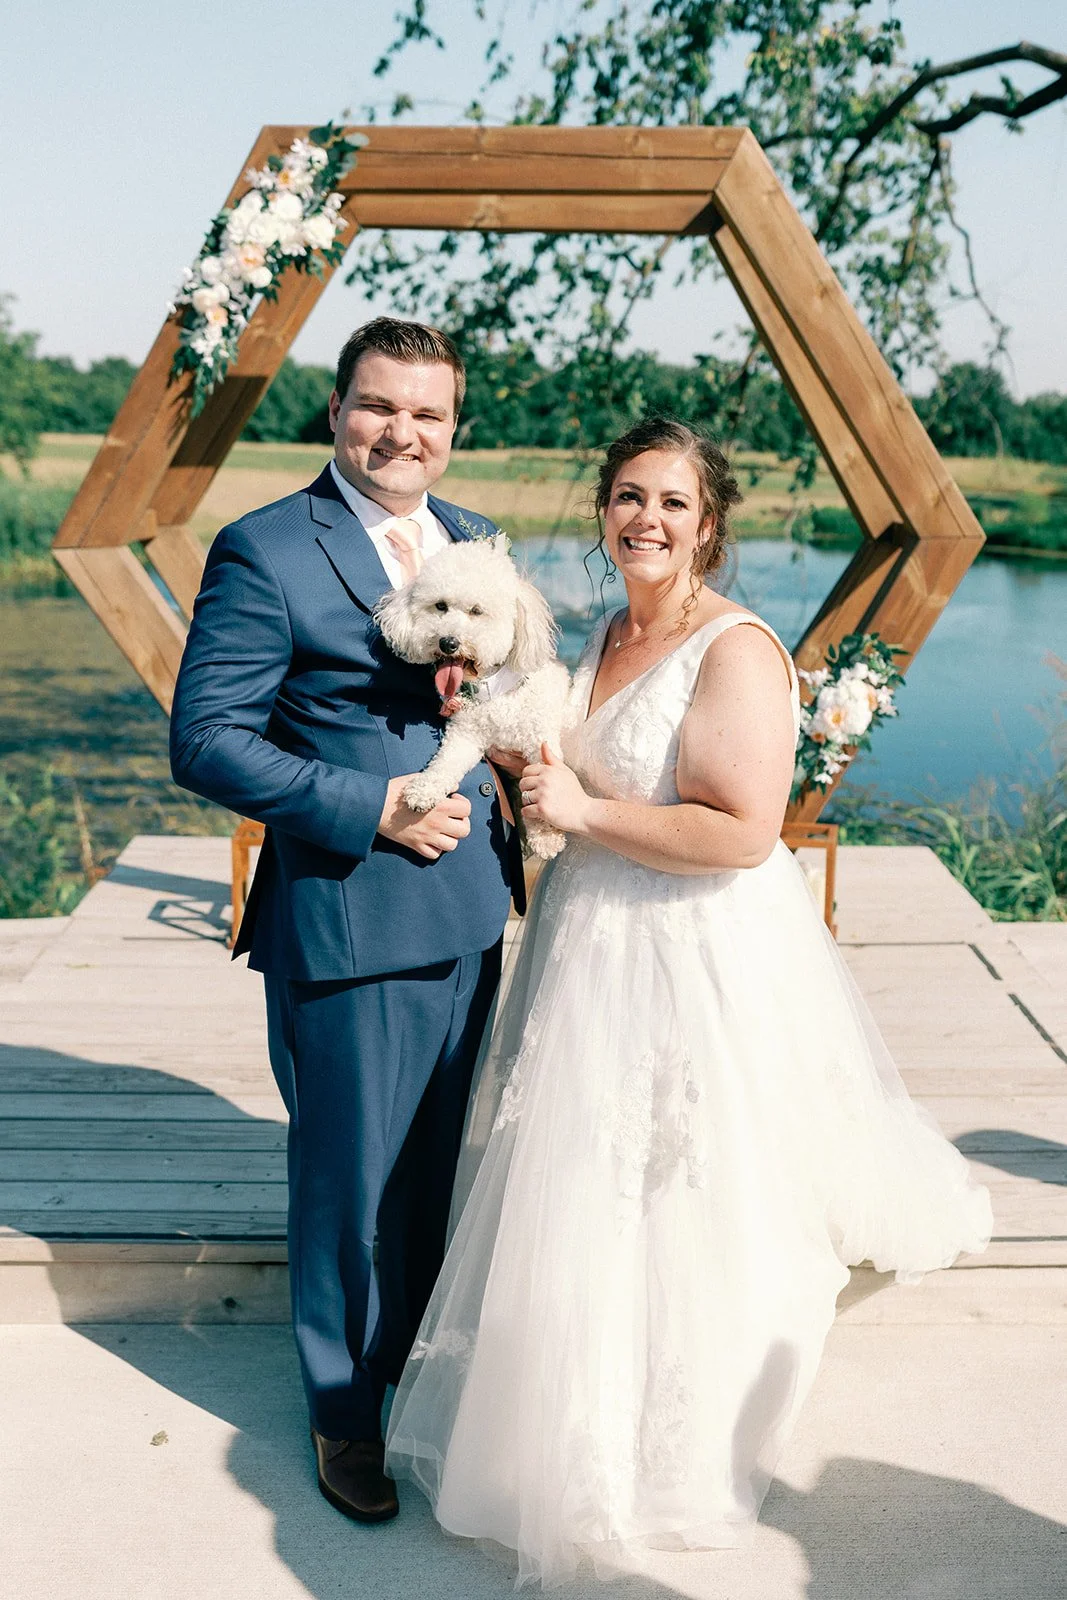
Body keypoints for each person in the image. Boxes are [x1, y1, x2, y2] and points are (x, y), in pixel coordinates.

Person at [385, 416, 992, 1587]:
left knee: (681, 1178)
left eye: (670, 501)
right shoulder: (605, 632)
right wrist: (511, 757)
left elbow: (743, 831)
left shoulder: (735, 649)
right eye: (627, 495)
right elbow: (568, 762)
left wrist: (581, 812)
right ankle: (559, 1405)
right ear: (602, 510)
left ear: (707, 525)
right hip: (590, 935)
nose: (645, 518)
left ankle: (666, 1435)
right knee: (580, 1178)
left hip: (690, 944)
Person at [170, 318, 524, 1525]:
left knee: (433, 1176)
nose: (400, 432)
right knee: (346, 1183)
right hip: (347, 916)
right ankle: (342, 1411)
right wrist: (369, 808)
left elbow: (494, 696)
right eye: (378, 405)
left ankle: (415, 1380)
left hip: (470, 915)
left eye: (427, 413)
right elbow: (206, 740)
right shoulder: (264, 547)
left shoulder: (472, 537)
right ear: (336, 410)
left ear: (452, 428)